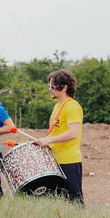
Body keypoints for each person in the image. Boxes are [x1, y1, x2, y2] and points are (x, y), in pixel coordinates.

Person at [37, 69, 84, 203]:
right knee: (60, 198)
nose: (50, 89)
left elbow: (73, 133)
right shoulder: (57, 107)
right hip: (55, 159)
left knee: (74, 198)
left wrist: (49, 140)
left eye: (53, 87)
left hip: (68, 159)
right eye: (49, 86)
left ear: (64, 88)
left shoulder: (72, 107)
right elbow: (56, 131)